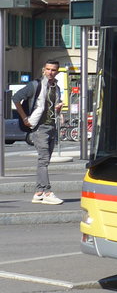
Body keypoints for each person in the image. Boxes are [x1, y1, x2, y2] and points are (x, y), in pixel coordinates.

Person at [13, 61, 65, 205]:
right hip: (39, 127)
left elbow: (54, 107)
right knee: (43, 160)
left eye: (53, 70)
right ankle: (47, 192)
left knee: (45, 160)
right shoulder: (35, 85)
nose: (50, 72)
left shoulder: (57, 88)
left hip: (51, 126)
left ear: (57, 71)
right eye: (48, 69)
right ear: (43, 70)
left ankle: (38, 192)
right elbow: (16, 98)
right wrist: (24, 118)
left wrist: (58, 108)